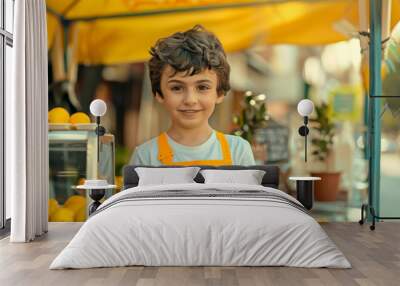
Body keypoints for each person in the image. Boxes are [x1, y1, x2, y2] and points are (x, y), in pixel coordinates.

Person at [130, 25, 255, 166]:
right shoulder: (145, 156)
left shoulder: (238, 151)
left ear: (219, 93)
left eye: (202, 87)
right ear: (159, 93)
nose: (190, 100)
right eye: (177, 88)